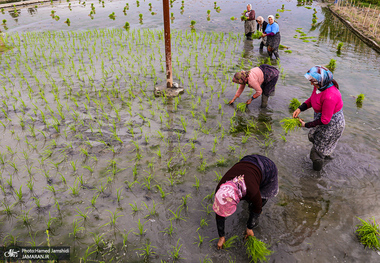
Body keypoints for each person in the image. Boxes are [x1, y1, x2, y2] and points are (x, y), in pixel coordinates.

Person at [213, 154, 278, 249]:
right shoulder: (220, 190)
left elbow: (257, 206)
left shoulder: (252, 191)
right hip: (247, 162)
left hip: (267, 167)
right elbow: (220, 211)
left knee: (259, 201)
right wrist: (221, 237)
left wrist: (249, 228)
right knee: (251, 198)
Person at [293, 66, 345, 171]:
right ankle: (326, 154)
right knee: (313, 136)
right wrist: (300, 108)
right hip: (322, 118)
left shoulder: (330, 96)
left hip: (332, 124)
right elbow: (313, 99)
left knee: (316, 154)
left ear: (321, 81)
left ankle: (315, 177)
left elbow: (325, 120)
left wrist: (305, 125)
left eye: (313, 82)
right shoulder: (320, 86)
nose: (311, 84)